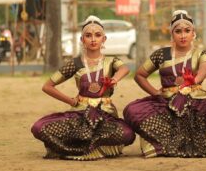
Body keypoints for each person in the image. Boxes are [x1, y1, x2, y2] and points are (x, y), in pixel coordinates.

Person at [123, 10, 206, 158]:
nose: (183, 35)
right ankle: (164, 143)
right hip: (166, 103)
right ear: (172, 34)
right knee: (131, 110)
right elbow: (140, 75)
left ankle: (202, 142)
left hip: (196, 101)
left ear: (193, 33)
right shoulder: (161, 54)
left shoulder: (201, 53)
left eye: (187, 31)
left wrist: (195, 80)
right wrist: (155, 93)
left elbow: (205, 68)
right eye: (178, 31)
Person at [31, 16, 135, 160]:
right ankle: (90, 146)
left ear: (104, 39)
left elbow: (125, 68)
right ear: (82, 40)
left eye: (98, 35)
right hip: (80, 113)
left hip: (105, 114)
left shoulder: (111, 61)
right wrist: (71, 101)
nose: (93, 39)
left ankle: (84, 144)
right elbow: (47, 86)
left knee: (128, 134)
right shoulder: (75, 63)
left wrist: (114, 79)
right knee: (38, 127)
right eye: (88, 35)